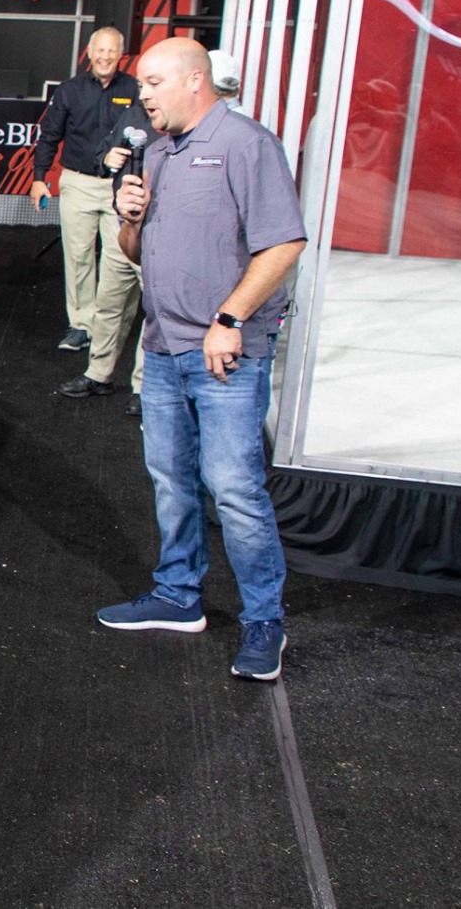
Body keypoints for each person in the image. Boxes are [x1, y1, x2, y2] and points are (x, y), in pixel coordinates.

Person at [101, 38, 306, 683]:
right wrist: (129, 218)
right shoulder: (159, 152)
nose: (143, 95)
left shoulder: (247, 145)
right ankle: (178, 594)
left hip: (225, 354)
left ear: (196, 80)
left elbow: (284, 244)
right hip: (162, 348)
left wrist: (230, 319)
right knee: (171, 479)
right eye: (141, 84)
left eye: (153, 82)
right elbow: (138, 252)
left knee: (235, 489)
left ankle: (264, 621)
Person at [31, 28, 141, 355]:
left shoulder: (134, 89)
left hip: (118, 186)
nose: (105, 57)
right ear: (89, 53)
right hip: (78, 183)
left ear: (121, 54)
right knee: (78, 256)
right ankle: (81, 325)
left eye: (112, 51)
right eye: (100, 50)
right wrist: (39, 178)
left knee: (118, 259)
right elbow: (49, 136)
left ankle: (107, 326)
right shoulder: (69, 90)